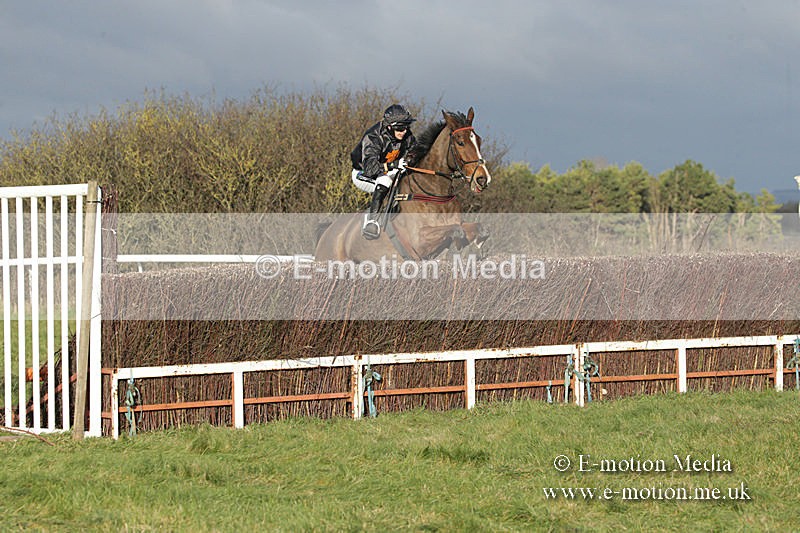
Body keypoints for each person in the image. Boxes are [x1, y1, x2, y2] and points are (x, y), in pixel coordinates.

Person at [350, 104, 417, 239]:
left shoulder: (406, 135)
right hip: (362, 174)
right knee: (385, 180)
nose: (404, 131)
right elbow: (370, 168)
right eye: (400, 128)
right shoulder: (373, 137)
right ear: (389, 126)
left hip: (386, 170)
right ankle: (371, 221)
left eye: (406, 127)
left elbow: (415, 151)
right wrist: (394, 164)